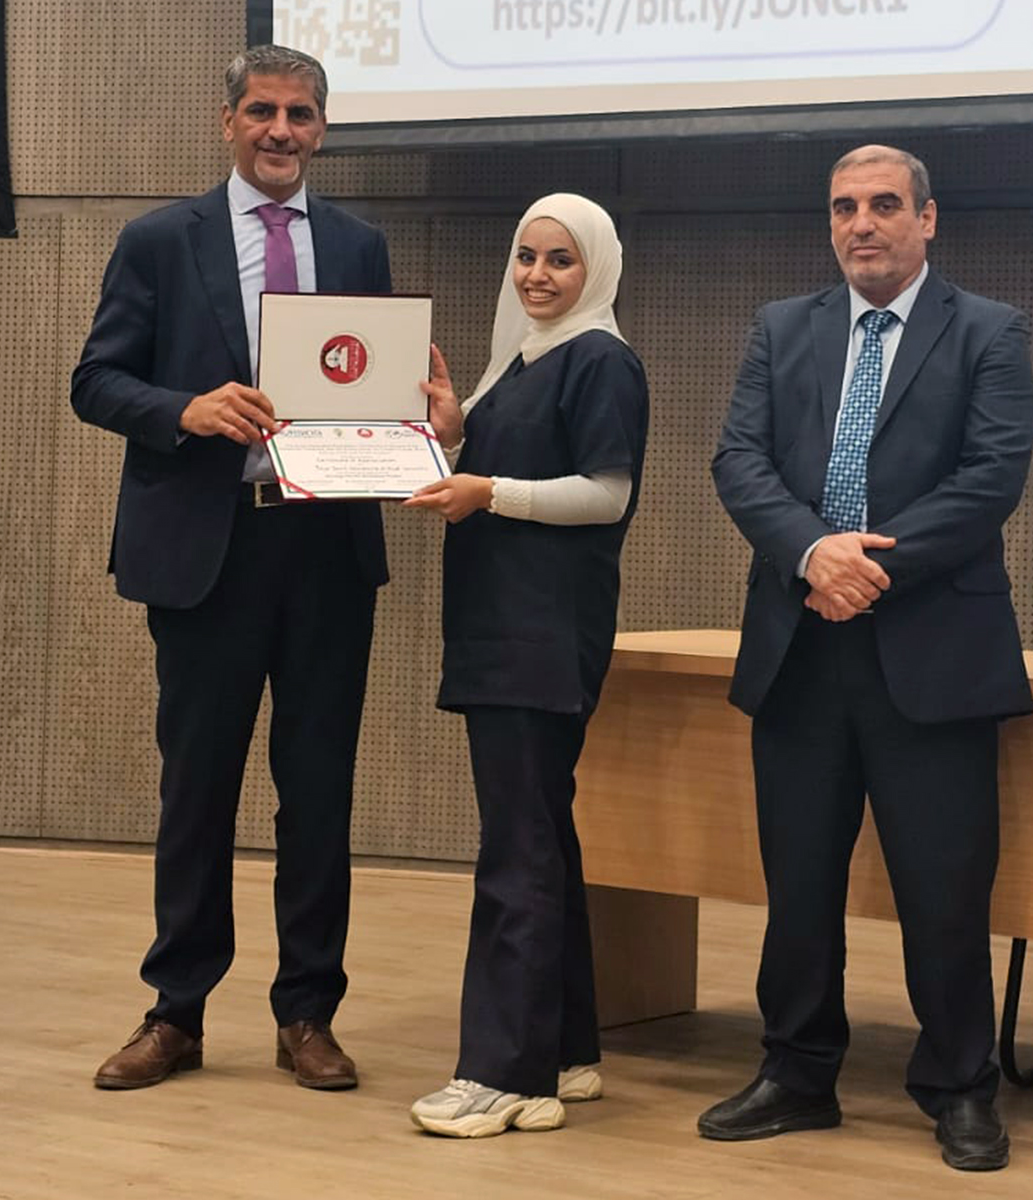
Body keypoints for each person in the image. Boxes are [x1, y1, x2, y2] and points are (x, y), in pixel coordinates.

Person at [700, 145, 1033, 1171]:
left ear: (928, 220)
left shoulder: (989, 331)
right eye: (845, 207)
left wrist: (867, 565)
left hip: (931, 647)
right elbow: (739, 459)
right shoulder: (781, 328)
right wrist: (811, 551)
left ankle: (959, 1087)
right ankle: (797, 1072)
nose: (863, 224)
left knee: (944, 887)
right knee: (797, 880)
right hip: (801, 644)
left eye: (886, 205)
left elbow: (990, 477)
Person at [71, 44, 392, 1093]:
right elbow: (97, 380)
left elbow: (373, 400)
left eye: (301, 114)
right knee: (196, 790)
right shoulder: (162, 239)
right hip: (207, 550)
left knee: (319, 794)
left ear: (323, 129)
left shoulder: (359, 244)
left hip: (326, 549)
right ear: (229, 123)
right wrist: (185, 411)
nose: (281, 131)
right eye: (262, 111)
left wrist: (421, 430)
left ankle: (308, 1012)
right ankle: (177, 1013)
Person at [401, 194, 649, 1138]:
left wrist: (486, 488)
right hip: (503, 629)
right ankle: (567, 1051)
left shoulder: (602, 360)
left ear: (597, 272)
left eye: (560, 261)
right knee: (542, 836)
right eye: (525, 257)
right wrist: (460, 427)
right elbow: (516, 467)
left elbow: (604, 494)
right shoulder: (527, 358)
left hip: (542, 638)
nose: (538, 276)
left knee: (518, 852)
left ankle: (507, 1076)